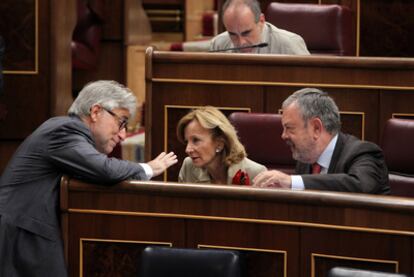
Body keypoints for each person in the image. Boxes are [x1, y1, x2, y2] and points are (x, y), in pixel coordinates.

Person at [0, 80, 177, 276]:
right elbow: (105, 169)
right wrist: (148, 168)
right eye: (121, 122)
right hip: (19, 236)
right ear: (95, 112)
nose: (123, 135)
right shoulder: (65, 130)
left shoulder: (71, 135)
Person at [253, 88, 390, 194]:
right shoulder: (305, 160)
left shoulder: (363, 153)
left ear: (316, 128)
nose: (283, 135)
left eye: (289, 128)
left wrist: (290, 181)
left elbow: (360, 185)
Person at [177, 106, 266, 185]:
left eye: (196, 140)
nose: (188, 149)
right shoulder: (188, 167)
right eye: (187, 141)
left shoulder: (255, 173)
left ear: (219, 144)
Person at [210, 0, 310, 54]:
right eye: (232, 34)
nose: (241, 43)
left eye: (246, 33)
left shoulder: (289, 44)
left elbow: (311, 89)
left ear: (261, 21)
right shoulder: (218, 44)